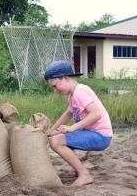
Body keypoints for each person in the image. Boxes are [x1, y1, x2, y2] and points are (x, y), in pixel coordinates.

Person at [44, 60, 112, 188]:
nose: (55, 90)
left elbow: (96, 114)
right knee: (57, 138)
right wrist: (51, 130)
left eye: (55, 86)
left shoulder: (80, 92)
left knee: (56, 142)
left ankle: (84, 175)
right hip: (92, 133)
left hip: (101, 135)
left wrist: (72, 127)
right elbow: (68, 114)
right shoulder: (74, 94)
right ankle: (78, 170)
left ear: (65, 78)